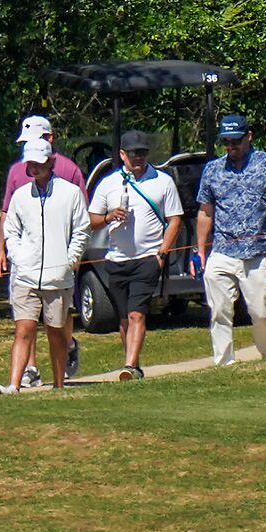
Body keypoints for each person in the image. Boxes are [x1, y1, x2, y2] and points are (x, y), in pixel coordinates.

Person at [193, 115, 266, 365]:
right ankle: (224, 363)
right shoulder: (213, 169)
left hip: (258, 252)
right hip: (223, 250)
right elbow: (205, 211)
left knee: (261, 312)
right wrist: (200, 250)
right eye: (226, 141)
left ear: (249, 136)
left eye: (235, 141)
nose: (230, 146)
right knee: (219, 311)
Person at [85, 130, 182, 379]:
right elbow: (92, 220)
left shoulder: (163, 181)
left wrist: (162, 253)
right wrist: (109, 216)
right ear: (122, 155)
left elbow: (174, 220)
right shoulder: (108, 183)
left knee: (137, 312)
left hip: (148, 258)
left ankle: (128, 367)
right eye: (133, 153)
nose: (138, 157)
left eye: (142, 152)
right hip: (116, 259)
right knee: (124, 318)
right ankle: (134, 365)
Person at [0, 138, 90, 394]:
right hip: (26, 275)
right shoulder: (21, 195)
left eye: (39, 163)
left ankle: (59, 384)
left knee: (56, 332)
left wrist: (70, 260)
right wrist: (17, 256)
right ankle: (14, 384)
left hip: (58, 278)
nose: (34, 168)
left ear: (50, 162)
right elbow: (11, 230)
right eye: (30, 164)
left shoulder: (70, 193)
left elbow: (82, 230)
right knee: (23, 328)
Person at [0, 114, 86, 205]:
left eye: (34, 140)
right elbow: (7, 212)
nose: (30, 145)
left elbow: (82, 209)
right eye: (26, 142)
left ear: (49, 137)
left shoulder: (70, 170)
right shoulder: (15, 171)